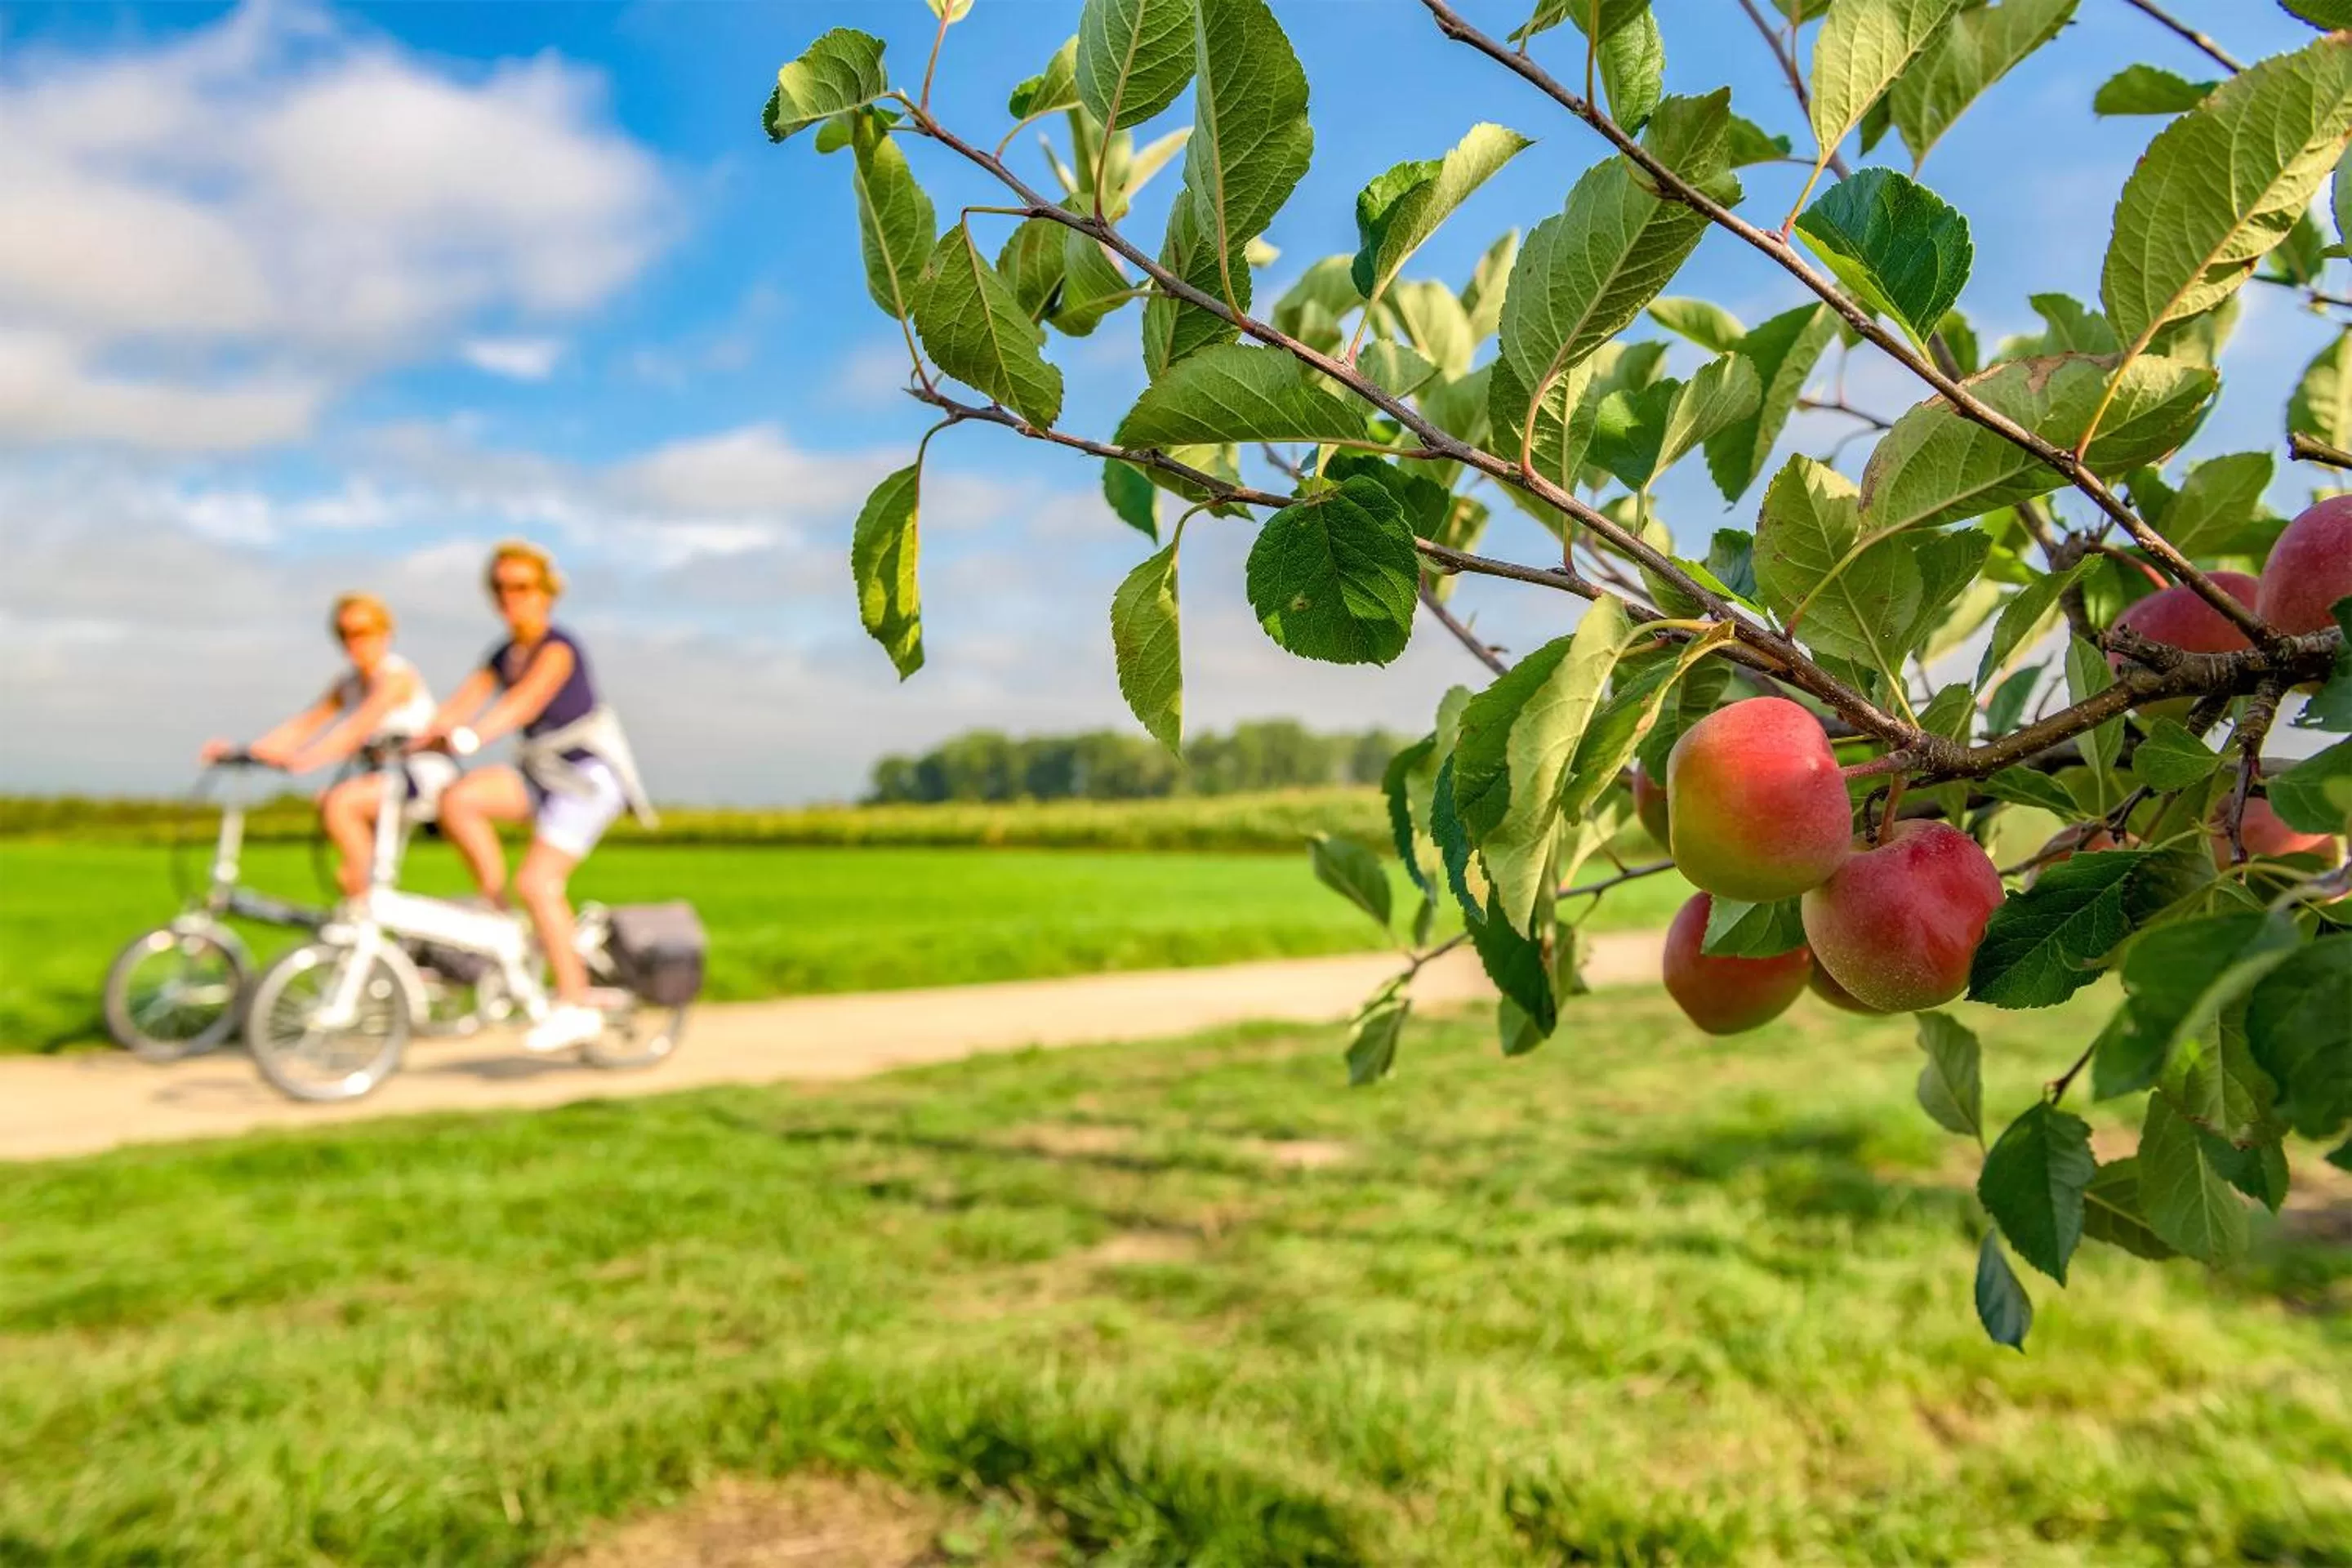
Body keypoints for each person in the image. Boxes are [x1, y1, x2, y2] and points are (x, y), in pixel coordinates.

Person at [415, 541, 654, 1054]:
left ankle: (576, 1003)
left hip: (586, 779)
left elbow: (523, 705)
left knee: (540, 882)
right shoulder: (503, 655)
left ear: (545, 592)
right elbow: (460, 705)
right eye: (500, 588)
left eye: (521, 587)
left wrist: (473, 737)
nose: (510, 598)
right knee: (457, 799)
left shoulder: (557, 648)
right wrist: (411, 742)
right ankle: (500, 916)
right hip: (540, 777)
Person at [200, 592, 456, 898]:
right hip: (382, 782)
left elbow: (358, 726)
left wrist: (306, 760)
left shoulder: (396, 676)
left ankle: (365, 896)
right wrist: (245, 751)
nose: (352, 642)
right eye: (344, 634)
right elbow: (305, 724)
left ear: (384, 634)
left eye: (362, 633)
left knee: (340, 805)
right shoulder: (347, 684)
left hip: (420, 777)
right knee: (347, 873)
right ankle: (363, 906)